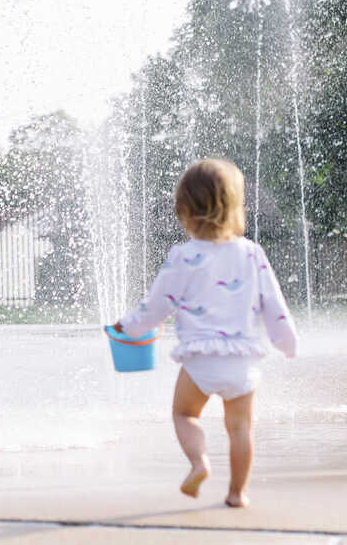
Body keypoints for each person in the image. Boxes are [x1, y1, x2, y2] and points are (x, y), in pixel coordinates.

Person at [112, 158, 296, 509]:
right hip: (242, 361)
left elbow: (157, 304)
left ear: (184, 210)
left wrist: (129, 326)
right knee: (240, 428)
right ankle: (237, 493)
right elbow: (274, 304)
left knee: (185, 415)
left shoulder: (183, 256)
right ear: (236, 208)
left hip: (199, 360)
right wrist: (286, 343)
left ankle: (199, 462)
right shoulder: (252, 253)